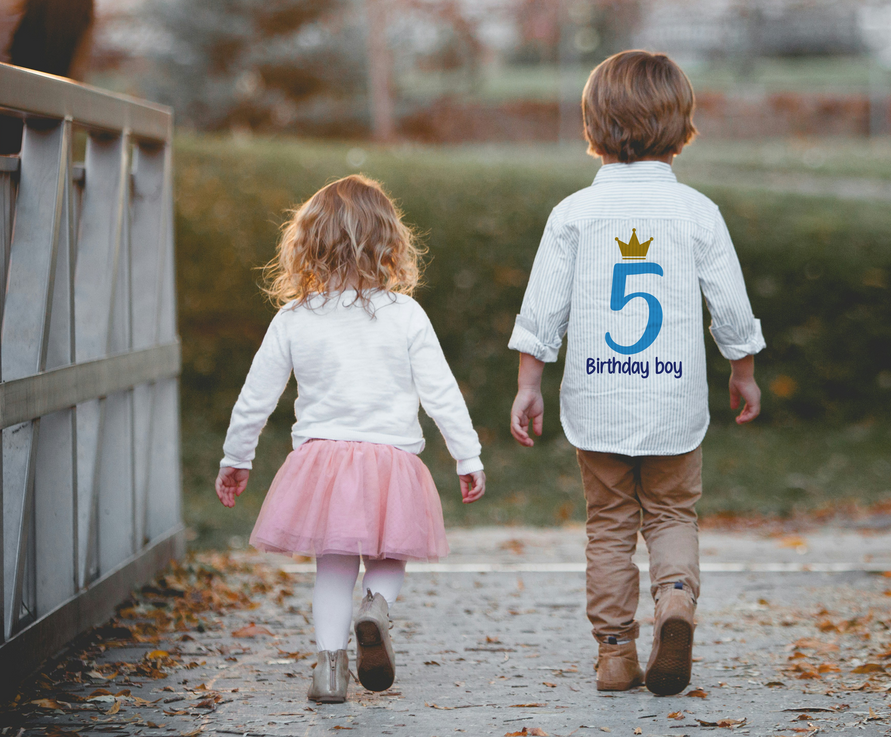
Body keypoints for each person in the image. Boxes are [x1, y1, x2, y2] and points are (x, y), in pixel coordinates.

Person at [508, 50, 764, 695]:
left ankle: (616, 653)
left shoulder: (573, 214)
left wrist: (529, 384)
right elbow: (730, 306)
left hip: (598, 402)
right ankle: (674, 600)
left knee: (610, 525)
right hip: (673, 402)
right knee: (674, 513)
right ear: (681, 125)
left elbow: (542, 310)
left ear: (594, 123)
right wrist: (744, 371)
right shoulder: (696, 213)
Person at [216, 174, 486, 704]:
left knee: (332, 567)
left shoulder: (294, 318)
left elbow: (257, 396)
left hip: (322, 465)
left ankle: (329, 672)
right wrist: (467, 454)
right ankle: (377, 608)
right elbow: (441, 393)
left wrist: (236, 456)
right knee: (390, 554)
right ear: (389, 241)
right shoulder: (406, 314)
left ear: (307, 244)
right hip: (392, 461)